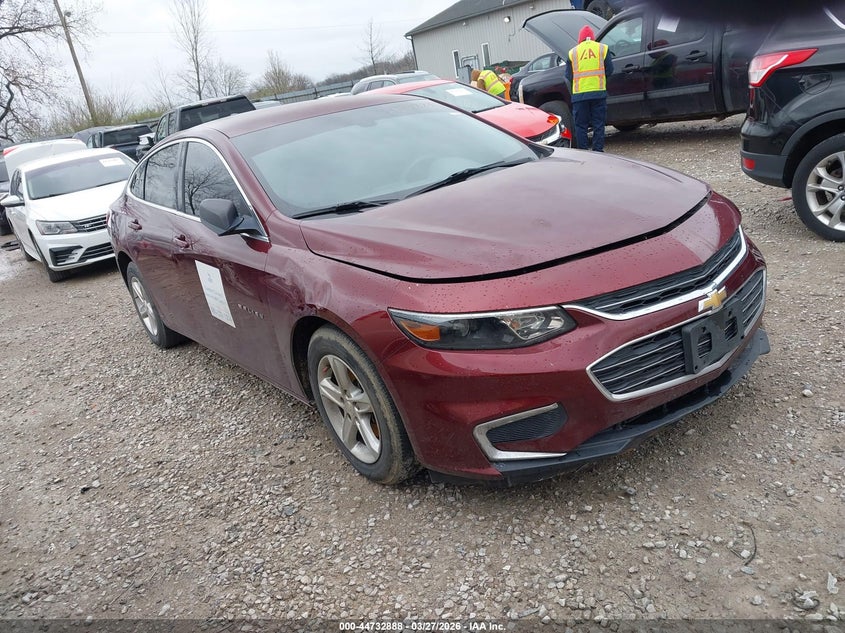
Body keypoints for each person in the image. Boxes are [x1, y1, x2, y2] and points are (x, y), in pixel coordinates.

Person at [565, 25, 614, 151]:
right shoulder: (602, 48)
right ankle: (598, 151)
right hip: (598, 93)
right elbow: (610, 70)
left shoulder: (573, 52)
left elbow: (568, 75)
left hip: (579, 95)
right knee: (599, 124)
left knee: (581, 126)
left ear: (580, 39)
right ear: (593, 38)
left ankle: (584, 153)